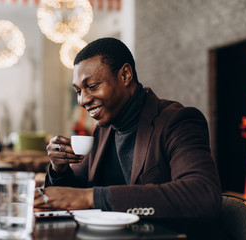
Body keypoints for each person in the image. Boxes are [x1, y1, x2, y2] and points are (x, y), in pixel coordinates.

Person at [34, 37, 222, 219]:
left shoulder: (177, 120)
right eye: (78, 91)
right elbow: (74, 194)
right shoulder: (103, 130)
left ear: (125, 75)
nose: (83, 100)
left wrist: (91, 198)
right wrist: (59, 169)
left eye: (92, 86)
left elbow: (203, 194)